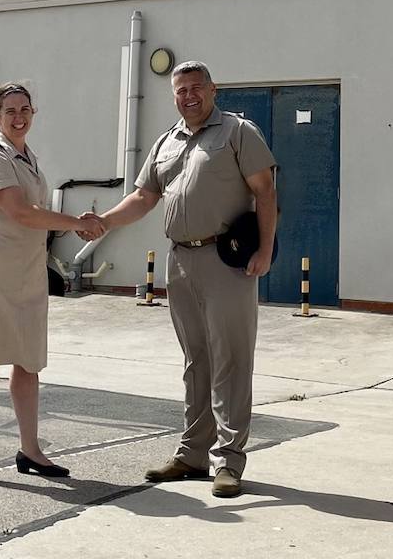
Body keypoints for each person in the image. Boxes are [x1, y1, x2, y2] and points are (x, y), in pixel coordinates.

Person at [92, 61, 277, 498]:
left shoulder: (237, 132)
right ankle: (193, 453)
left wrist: (266, 250)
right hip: (181, 260)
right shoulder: (167, 141)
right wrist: (102, 223)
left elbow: (265, 191)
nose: (188, 96)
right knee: (197, 361)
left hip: (226, 260)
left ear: (213, 90)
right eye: (181, 90)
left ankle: (228, 460)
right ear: (173, 96)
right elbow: (143, 197)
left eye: (196, 88)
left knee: (230, 359)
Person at [0, 81, 104, 485]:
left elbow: (34, 210)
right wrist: (76, 224)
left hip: (28, 273)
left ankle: (31, 450)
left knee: (28, 361)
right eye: (10, 112)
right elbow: (20, 212)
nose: (19, 117)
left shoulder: (28, 157)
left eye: (25, 110)